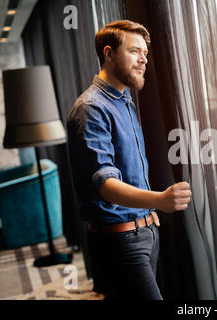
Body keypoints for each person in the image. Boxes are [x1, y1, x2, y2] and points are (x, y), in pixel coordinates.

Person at [67, 20, 191, 300]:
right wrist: (157, 200)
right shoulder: (91, 109)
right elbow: (107, 185)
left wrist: (146, 214)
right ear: (109, 54)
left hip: (143, 232)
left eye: (145, 53)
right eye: (135, 51)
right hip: (120, 241)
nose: (143, 59)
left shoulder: (123, 101)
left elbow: (130, 172)